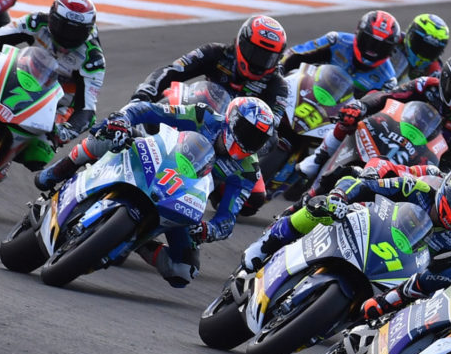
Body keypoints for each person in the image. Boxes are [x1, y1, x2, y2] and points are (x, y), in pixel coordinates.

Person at [34, 96, 276, 287]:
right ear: (231, 120)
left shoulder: (247, 172)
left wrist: (207, 230)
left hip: (181, 199)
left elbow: (227, 218)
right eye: (247, 130)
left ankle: (137, 242)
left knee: (184, 271)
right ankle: (57, 172)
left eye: (257, 138)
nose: (249, 141)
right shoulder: (205, 117)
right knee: (109, 136)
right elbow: (150, 110)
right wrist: (123, 119)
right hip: (155, 156)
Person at [130, 15, 288, 215]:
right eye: (254, 52)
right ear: (241, 43)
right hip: (196, 113)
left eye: (268, 57)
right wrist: (143, 94)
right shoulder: (215, 52)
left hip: (233, 142)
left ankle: (208, 187)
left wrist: (248, 146)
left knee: (254, 199)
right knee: (163, 98)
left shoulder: (278, 85)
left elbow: (271, 133)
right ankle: (132, 139)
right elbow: (170, 71)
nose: (259, 62)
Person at [241, 159, 451, 277]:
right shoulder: (419, 187)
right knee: (328, 200)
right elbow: (369, 185)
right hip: (371, 225)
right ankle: (265, 245)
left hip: (399, 272)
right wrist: (342, 197)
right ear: (448, 186)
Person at [294, 51, 451, 193]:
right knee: (352, 113)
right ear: (445, 80)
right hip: (395, 132)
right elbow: (387, 96)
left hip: (430, 161)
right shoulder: (426, 85)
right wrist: (361, 107)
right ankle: (320, 157)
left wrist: (446, 173)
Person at [0, 0, 105, 148]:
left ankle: (2, 165)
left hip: (56, 104)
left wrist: (68, 130)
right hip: (22, 79)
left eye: (76, 31)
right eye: (62, 26)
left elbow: (87, 110)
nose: (67, 36)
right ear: (52, 17)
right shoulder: (37, 22)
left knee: (40, 151)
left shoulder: (93, 60)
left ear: (88, 31)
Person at [279, 9, 400, 97]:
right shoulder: (336, 41)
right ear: (358, 33)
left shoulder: (387, 81)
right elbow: (294, 54)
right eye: (368, 42)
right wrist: (278, 71)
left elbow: (378, 113)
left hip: (340, 121)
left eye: (381, 47)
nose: (372, 51)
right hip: (307, 95)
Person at [388, 13, 449, 83]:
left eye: (431, 51)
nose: (424, 51)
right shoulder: (391, 40)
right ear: (410, 35)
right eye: (420, 44)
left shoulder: (436, 71)